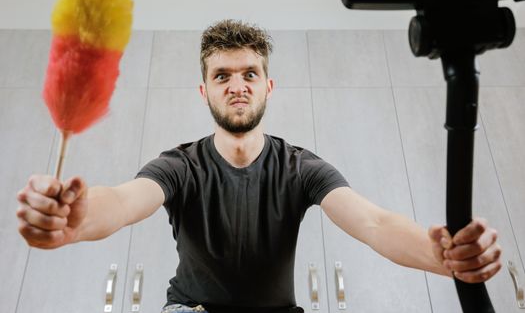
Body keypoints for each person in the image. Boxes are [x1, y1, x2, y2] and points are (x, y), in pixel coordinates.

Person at [16, 20, 502, 313]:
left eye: (250, 73)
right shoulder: (178, 166)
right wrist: (75, 221)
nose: (237, 85)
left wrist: (442, 257)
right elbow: (122, 201)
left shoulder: (301, 168)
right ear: (204, 91)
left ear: (269, 86)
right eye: (221, 75)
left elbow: (374, 223)